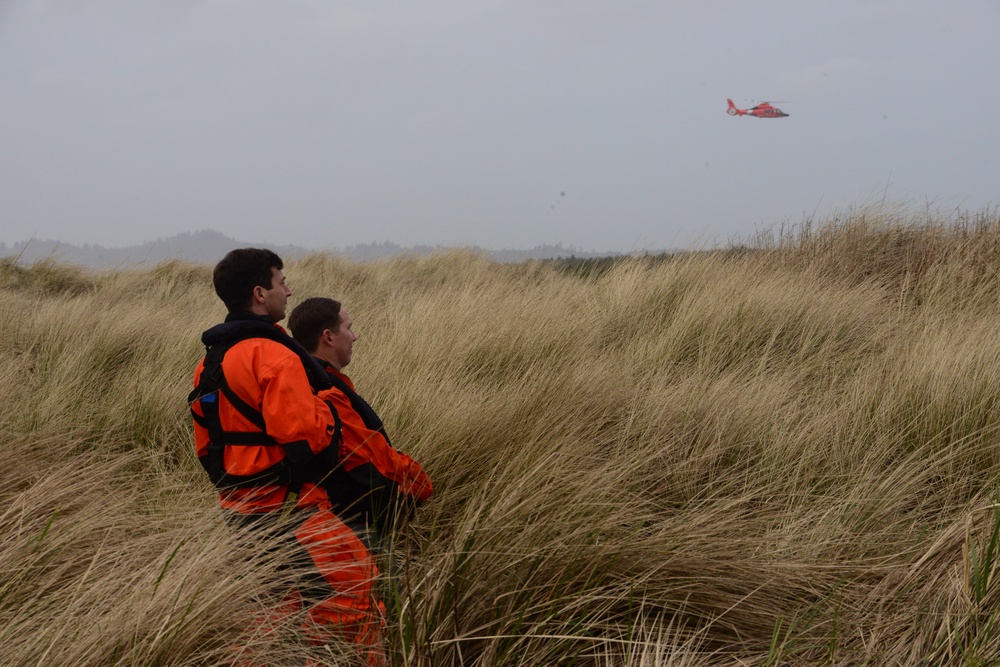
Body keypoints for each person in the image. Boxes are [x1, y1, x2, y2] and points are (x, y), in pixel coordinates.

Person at [189, 249, 384, 663]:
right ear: (260, 294)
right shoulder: (275, 356)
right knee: (354, 598)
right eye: (282, 282)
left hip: (239, 510)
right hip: (291, 507)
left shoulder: (210, 361)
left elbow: (206, 447)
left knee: (271, 614)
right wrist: (329, 410)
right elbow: (307, 440)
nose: (289, 290)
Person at [287, 297, 433, 556]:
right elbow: (369, 458)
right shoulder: (328, 392)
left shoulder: (301, 381)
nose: (354, 337)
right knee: (381, 593)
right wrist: (419, 482)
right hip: (349, 527)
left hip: (321, 521)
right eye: (349, 328)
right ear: (328, 337)